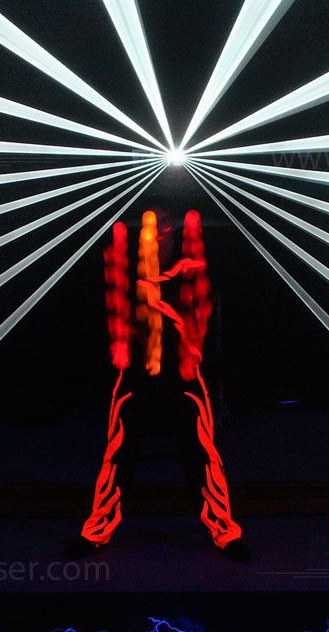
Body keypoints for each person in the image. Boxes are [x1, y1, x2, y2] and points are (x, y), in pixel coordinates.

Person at [67, 210, 249, 561]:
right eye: (154, 227)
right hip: (137, 368)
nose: (160, 234)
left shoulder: (189, 265)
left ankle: (224, 531)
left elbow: (201, 307)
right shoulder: (130, 264)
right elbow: (115, 302)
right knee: (118, 450)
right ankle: (97, 530)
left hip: (181, 367)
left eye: (166, 226)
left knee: (201, 450)